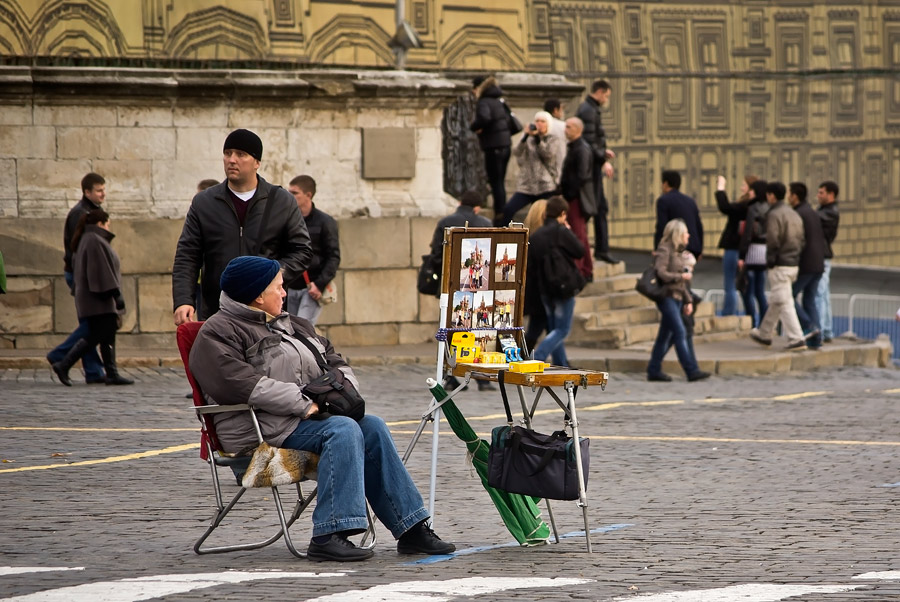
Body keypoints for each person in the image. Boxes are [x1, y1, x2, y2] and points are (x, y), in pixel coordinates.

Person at [189, 256, 456, 561]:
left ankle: (411, 529)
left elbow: (335, 362)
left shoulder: (293, 323)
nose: (285, 293)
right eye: (279, 287)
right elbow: (242, 384)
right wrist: (306, 403)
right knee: (342, 430)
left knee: (372, 426)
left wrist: (344, 391)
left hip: (301, 423)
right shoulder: (218, 333)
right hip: (258, 437)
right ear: (257, 296)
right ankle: (329, 533)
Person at [172, 129, 312, 325]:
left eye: (241, 154)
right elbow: (187, 255)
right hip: (218, 310)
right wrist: (184, 300)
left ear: (257, 162)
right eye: (227, 153)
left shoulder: (281, 201)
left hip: (266, 312)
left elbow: (302, 251)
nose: (232, 159)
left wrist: (272, 275)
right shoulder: (204, 202)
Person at [50, 209, 133, 387]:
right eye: (108, 223)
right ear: (101, 223)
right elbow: (101, 271)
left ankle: (111, 373)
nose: (109, 226)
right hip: (99, 299)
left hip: (95, 298)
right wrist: (115, 294)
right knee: (98, 334)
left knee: (105, 335)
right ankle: (64, 364)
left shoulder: (89, 239)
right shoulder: (94, 240)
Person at [427, 190, 493, 392]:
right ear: (477, 207)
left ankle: (451, 376)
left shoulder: (445, 221)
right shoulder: (485, 223)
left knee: (452, 331)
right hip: (480, 289)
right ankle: (482, 377)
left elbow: (436, 255)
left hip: (452, 286)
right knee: (479, 330)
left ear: (459, 202)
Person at [46, 173, 107, 384]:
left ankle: (93, 370)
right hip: (82, 275)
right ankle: (61, 354)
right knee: (91, 325)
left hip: (83, 275)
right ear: (87, 192)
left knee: (90, 324)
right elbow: (78, 251)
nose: (103, 194)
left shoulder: (90, 211)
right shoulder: (80, 213)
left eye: (103, 189)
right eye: (98, 190)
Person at [646, 218, 710, 383]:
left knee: (664, 336)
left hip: (678, 297)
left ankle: (654, 369)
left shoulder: (678, 251)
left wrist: (688, 300)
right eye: (685, 233)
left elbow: (682, 284)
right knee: (680, 332)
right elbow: (661, 273)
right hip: (666, 297)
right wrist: (680, 275)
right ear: (678, 234)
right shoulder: (665, 250)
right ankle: (691, 370)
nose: (688, 235)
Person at [527, 196, 587, 367]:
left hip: (545, 290)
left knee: (554, 329)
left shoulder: (537, 235)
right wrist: (567, 230)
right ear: (562, 214)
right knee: (562, 329)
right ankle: (538, 356)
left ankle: (561, 363)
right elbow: (579, 251)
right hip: (563, 288)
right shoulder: (561, 232)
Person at [749, 182, 807, 351]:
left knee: (784, 302)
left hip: (780, 263)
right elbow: (802, 239)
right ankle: (764, 333)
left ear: (771, 196)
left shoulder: (774, 214)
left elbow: (773, 239)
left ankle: (796, 338)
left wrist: (771, 259)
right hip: (793, 262)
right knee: (777, 299)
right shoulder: (793, 214)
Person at [284, 175, 340, 325]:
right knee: (289, 330)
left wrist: (320, 284)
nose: (290, 196)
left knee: (302, 329)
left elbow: (333, 257)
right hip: (289, 286)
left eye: (295, 193)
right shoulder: (287, 220)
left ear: (308, 195)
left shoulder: (325, 222)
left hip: (311, 287)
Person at [576, 80, 618, 264]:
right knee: (596, 208)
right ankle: (598, 250)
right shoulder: (588, 111)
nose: (606, 100)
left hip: (593, 167)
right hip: (590, 171)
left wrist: (602, 158)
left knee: (598, 208)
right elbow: (590, 142)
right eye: (606, 96)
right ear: (600, 92)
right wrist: (603, 158)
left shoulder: (589, 109)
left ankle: (599, 249)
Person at [500, 111, 564, 226]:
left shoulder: (552, 139)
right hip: (527, 185)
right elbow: (516, 151)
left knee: (545, 215)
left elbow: (547, 154)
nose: (539, 124)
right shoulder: (528, 138)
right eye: (537, 121)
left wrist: (538, 139)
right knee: (508, 209)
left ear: (548, 124)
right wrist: (525, 136)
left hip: (546, 185)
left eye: (542, 121)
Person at [469, 75, 512, 224]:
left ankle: (501, 215)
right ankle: (502, 212)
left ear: (478, 88)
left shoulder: (484, 101)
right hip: (505, 145)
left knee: (496, 182)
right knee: (499, 181)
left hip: (493, 146)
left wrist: (474, 127)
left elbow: (484, 118)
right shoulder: (498, 100)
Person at [788, 182, 826, 349]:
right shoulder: (811, 212)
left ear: (795, 196)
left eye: (790, 193)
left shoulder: (798, 214)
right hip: (818, 263)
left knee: (788, 296)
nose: (788, 197)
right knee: (809, 300)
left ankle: (809, 327)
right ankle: (817, 337)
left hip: (807, 264)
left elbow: (797, 240)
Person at [558, 117, 595, 281]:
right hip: (573, 197)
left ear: (578, 130)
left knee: (578, 235)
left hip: (577, 199)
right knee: (580, 235)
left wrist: (569, 194)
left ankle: (580, 271)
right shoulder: (574, 147)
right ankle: (586, 269)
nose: (566, 129)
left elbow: (581, 176)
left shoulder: (582, 149)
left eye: (569, 127)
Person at [714, 174, 755, 316]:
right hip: (747, 250)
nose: (741, 188)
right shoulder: (755, 207)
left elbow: (725, 207)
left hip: (734, 248)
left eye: (744, 185)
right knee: (747, 289)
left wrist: (721, 187)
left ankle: (728, 314)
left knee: (730, 283)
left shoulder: (744, 206)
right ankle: (752, 319)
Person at [737, 179, 770, 327]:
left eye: (752, 190)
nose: (749, 192)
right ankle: (764, 323)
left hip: (752, 252)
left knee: (747, 291)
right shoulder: (770, 208)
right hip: (765, 252)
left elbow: (748, 233)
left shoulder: (753, 208)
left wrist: (742, 255)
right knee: (760, 292)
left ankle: (751, 322)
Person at [654, 170, 703, 260]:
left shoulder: (663, 200)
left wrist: (657, 248)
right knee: (687, 272)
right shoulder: (690, 201)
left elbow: (662, 227)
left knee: (674, 272)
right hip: (693, 247)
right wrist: (699, 249)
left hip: (675, 247)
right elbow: (698, 226)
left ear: (665, 183)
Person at [522, 199, 548, 353]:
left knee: (545, 329)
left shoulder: (528, 236)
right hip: (539, 292)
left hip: (533, 292)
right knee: (544, 330)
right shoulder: (540, 238)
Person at [816, 181, 840, 343]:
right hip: (823, 256)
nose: (818, 196)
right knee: (824, 294)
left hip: (822, 257)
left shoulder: (830, 212)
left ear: (831, 195)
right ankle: (827, 330)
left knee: (819, 293)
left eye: (821, 193)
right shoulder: (825, 210)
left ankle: (821, 330)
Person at [542, 98, 568, 178]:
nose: (562, 113)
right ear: (555, 110)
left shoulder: (536, 126)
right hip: (558, 169)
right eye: (561, 109)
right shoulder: (563, 127)